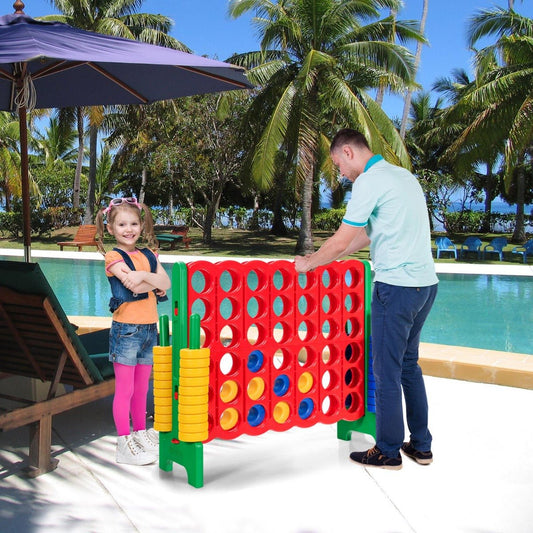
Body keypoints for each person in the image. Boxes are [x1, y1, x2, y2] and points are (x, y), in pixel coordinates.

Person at [294, 129, 438, 470]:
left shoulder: (368, 182)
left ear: (348, 151)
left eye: (338, 165)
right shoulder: (403, 177)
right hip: (425, 287)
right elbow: (368, 234)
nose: (340, 174)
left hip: (397, 288)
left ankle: (387, 450)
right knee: (407, 366)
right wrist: (335, 256)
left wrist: (309, 263)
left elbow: (343, 240)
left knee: (385, 371)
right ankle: (421, 445)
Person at [96, 197, 171, 466]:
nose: (129, 229)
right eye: (122, 224)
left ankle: (140, 433)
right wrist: (150, 280)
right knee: (125, 390)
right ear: (111, 228)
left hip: (149, 329)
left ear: (142, 225)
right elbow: (134, 287)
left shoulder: (150, 254)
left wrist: (145, 277)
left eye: (134, 224)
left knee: (142, 389)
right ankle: (123, 441)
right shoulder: (113, 256)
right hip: (126, 331)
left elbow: (167, 282)